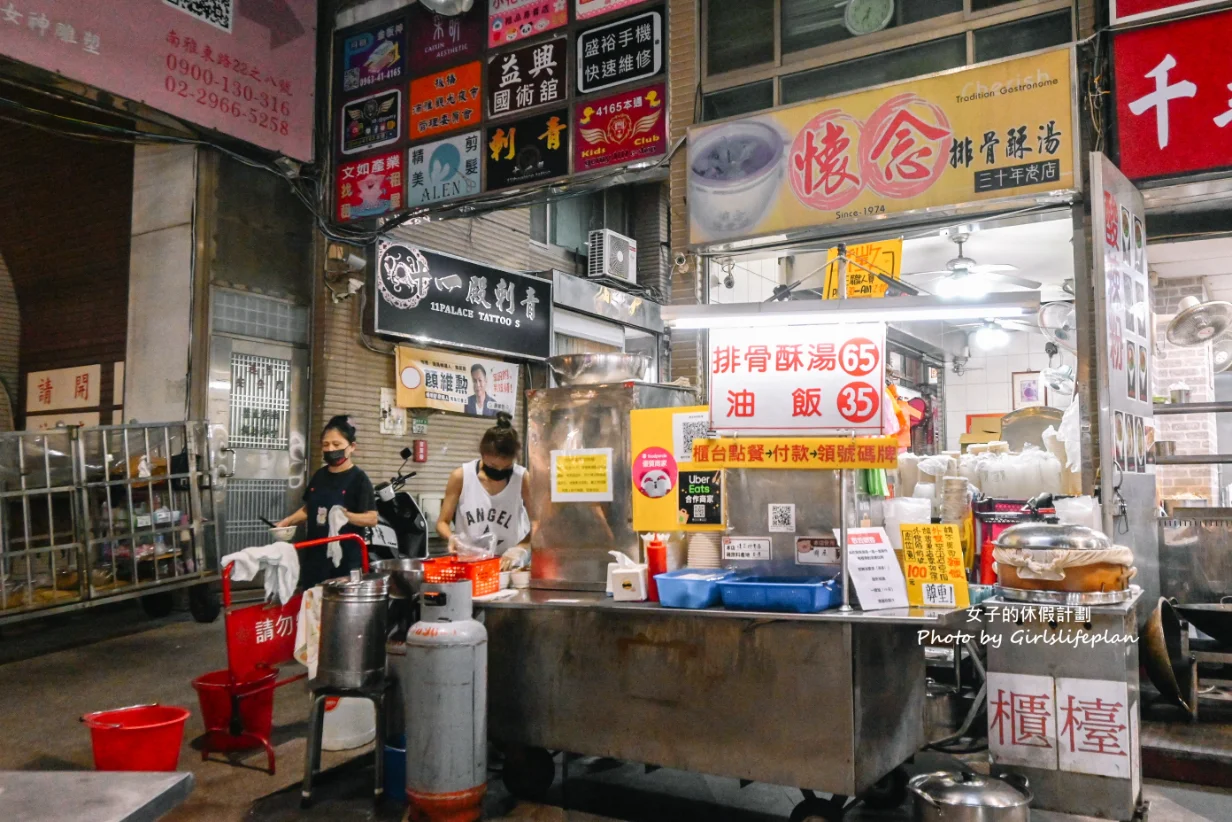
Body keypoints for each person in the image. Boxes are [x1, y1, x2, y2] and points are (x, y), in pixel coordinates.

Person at [277, 415, 378, 588]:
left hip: (345, 560)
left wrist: (346, 516)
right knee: (312, 602)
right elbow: (310, 509)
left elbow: (371, 518)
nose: (330, 449)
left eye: (337, 445)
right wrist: (287, 522)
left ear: (352, 447)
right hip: (315, 554)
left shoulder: (359, 479)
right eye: (326, 445)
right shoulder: (320, 475)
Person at [437, 412, 533, 569]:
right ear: (483, 454)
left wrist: (520, 548)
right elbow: (442, 522)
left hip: (509, 566)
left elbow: (537, 523)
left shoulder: (521, 477)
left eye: (506, 467)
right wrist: (452, 538)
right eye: (493, 467)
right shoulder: (461, 476)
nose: (499, 471)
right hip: (471, 564)